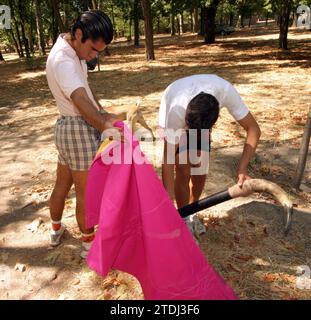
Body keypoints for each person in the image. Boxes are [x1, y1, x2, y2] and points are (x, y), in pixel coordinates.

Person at [46, 10, 121, 258]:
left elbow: (85, 90)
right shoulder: (63, 60)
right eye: (92, 50)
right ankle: (89, 245)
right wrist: (104, 126)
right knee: (86, 193)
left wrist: (103, 113)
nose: (93, 56)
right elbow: (79, 99)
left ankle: (56, 230)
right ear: (79, 34)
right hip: (77, 129)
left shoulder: (73, 51)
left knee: (63, 184)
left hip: (69, 128)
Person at [159, 74, 261, 211]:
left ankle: (192, 211)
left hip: (200, 118)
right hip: (174, 104)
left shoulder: (225, 91)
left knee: (200, 169)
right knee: (183, 168)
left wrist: (242, 169)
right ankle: (183, 215)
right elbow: (168, 160)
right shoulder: (177, 111)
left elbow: (253, 128)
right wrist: (168, 205)